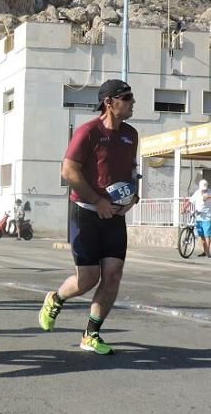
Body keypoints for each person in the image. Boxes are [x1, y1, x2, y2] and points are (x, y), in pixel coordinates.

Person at [39, 79, 139, 355]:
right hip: (85, 212)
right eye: (127, 97)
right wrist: (97, 201)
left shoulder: (131, 134)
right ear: (109, 102)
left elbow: (132, 171)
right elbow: (69, 171)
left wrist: (133, 197)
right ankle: (56, 298)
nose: (133, 103)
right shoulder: (88, 132)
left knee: (113, 275)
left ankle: (91, 334)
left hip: (115, 215)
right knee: (87, 279)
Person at [188, 179, 211, 258]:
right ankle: (205, 251)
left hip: (207, 217)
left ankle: (208, 252)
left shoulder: (210, 192)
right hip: (199, 217)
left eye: (205, 189)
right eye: (202, 189)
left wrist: (209, 196)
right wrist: (184, 207)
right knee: (202, 236)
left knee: (207, 235)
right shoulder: (197, 193)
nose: (204, 191)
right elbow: (190, 201)